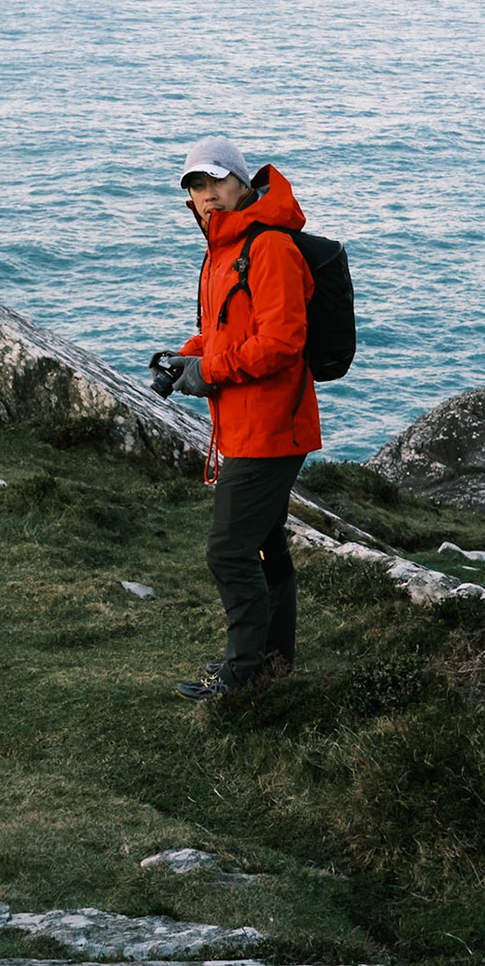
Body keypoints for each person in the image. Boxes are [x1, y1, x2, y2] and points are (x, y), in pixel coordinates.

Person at [158, 134, 320, 701]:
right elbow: (227, 331)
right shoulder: (223, 251)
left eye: (215, 181)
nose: (207, 196)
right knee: (265, 546)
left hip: (272, 429)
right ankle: (272, 662)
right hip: (249, 425)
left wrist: (210, 371)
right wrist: (187, 357)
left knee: (229, 550)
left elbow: (280, 342)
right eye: (196, 187)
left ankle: (243, 672)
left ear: (241, 181)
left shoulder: (269, 247)